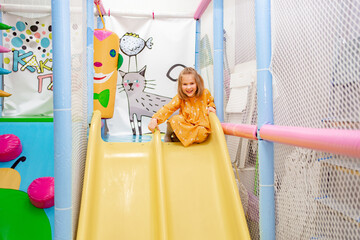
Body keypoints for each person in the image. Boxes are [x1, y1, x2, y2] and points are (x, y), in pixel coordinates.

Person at [148, 67, 216, 147]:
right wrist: (155, 118)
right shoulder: (180, 97)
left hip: (199, 126)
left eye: (192, 83)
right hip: (185, 124)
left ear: (197, 83)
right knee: (174, 119)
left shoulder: (205, 93)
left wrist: (211, 107)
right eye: (185, 84)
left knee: (202, 132)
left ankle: (180, 138)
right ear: (180, 85)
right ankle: (169, 135)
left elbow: (210, 101)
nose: (188, 87)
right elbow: (168, 108)